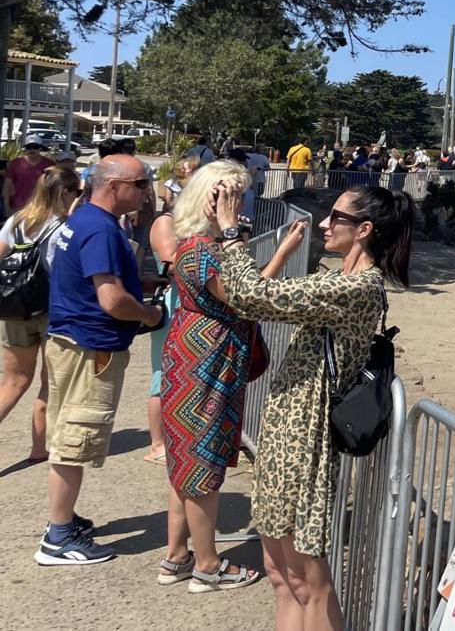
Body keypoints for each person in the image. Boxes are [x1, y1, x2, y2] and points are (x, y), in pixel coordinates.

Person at [220, 183, 411, 631]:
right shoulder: (333, 280)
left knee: (310, 582)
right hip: (282, 432)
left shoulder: (358, 290)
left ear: (363, 229)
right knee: (280, 575)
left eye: (336, 217)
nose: (324, 224)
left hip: (307, 439)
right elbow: (257, 296)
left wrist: (232, 232)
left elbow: (251, 297)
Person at [159, 161, 303, 592]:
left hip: (190, 352)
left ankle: (176, 556)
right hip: (208, 360)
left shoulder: (193, 244)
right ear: (214, 199)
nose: (242, 204)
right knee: (202, 460)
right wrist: (280, 254)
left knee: (185, 460)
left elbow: (242, 289)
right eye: (236, 196)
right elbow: (247, 299)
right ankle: (207, 565)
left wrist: (237, 236)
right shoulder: (205, 250)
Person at [37, 155, 165, 566]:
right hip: (90, 347)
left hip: (68, 341)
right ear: (115, 186)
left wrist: (137, 283)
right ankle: (58, 537)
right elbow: (111, 300)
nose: (147, 192)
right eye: (142, 184)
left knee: (66, 433)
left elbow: (90, 281)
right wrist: (148, 313)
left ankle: (64, 520)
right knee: (75, 441)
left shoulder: (81, 219)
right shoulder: (101, 230)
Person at [0, 166, 81, 461]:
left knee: (13, 381)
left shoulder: (16, 221)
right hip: (51, 309)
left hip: (15, 308)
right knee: (50, 384)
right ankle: (38, 448)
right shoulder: (65, 227)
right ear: (65, 193)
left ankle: (38, 447)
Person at [143, 156, 200, 465]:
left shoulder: (189, 225)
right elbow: (172, 262)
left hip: (187, 301)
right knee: (160, 373)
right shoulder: (166, 223)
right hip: (171, 300)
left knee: (178, 370)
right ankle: (156, 443)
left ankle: (173, 436)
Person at [4, 140, 56, 214]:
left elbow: (55, 186)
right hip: (17, 207)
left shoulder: (49, 164)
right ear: (25, 148)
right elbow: (6, 186)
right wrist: (7, 208)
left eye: (35, 147)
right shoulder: (15, 163)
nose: (32, 150)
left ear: (40, 148)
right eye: (29, 147)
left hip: (41, 208)